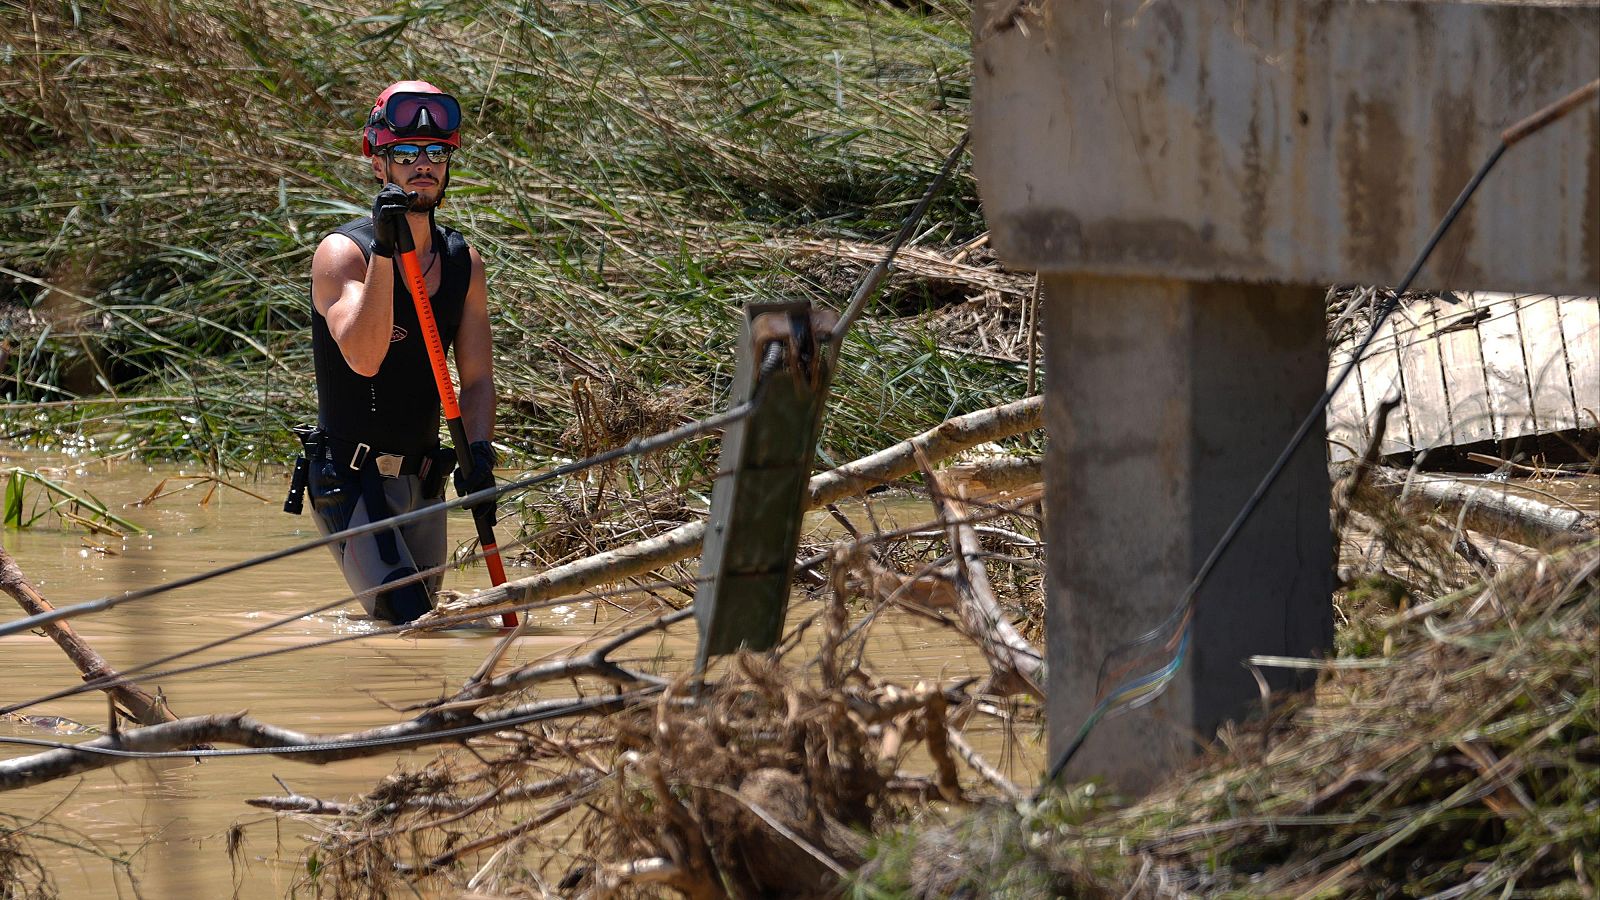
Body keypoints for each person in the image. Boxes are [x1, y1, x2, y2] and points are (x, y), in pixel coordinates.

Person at [296, 80, 497, 624]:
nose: (422, 165)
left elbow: (477, 379)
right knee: (406, 622)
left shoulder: (462, 263)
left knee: (429, 625)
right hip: (351, 478)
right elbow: (364, 356)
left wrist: (480, 456)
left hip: (424, 476)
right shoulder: (344, 254)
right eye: (405, 154)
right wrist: (387, 250)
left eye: (436, 154)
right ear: (379, 166)